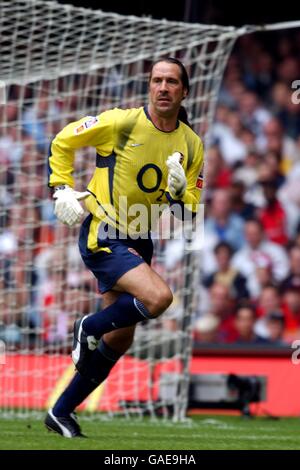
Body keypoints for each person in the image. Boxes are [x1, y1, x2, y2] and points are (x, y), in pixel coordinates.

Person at [44, 58, 204, 437]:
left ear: (184, 91)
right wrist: (62, 188)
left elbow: (190, 213)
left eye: (171, 82)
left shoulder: (192, 144)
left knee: (120, 337)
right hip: (104, 231)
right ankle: (86, 328)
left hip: (140, 239)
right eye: (156, 80)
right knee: (160, 297)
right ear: (149, 87)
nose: (163, 87)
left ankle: (61, 412)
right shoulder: (121, 122)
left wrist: (182, 196)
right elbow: (63, 140)